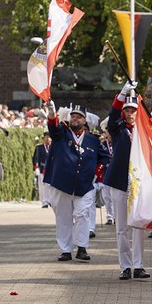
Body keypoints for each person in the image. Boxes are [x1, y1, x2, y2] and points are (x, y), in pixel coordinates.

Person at [43, 103, 109, 262]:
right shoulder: (62, 133)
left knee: (82, 215)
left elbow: (105, 158)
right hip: (62, 185)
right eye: (73, 116)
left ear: (84, 120)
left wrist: (96, 172)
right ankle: (66, 250)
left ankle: (82, 248)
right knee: (63, 218)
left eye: (78, 116)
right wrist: (52, 113)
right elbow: (53, 127)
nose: (75, 119)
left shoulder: (93, 140)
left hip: (84, 186)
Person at [104, 86, 150, 280]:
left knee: (138, 225)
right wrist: (122, 94)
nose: (130, 114)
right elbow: (113, 114)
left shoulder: (145, 131)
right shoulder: (117, 128)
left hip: (139, 183)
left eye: (134, 111)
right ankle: (125, 265)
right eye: (127, 111)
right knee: (121, 227)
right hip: (119, 181)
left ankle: (138, 265)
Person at [33, 132, 52, 206]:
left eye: (49, 138)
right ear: (44, 139)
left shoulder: (53, 147)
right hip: (42, 169)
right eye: (46, 138)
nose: (48, 139)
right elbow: (36, 158)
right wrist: (36, 168)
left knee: (50, 186)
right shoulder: (39, 148)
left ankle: (50, 200)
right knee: (42, 186)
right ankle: (44, 201)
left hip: (51, 169)